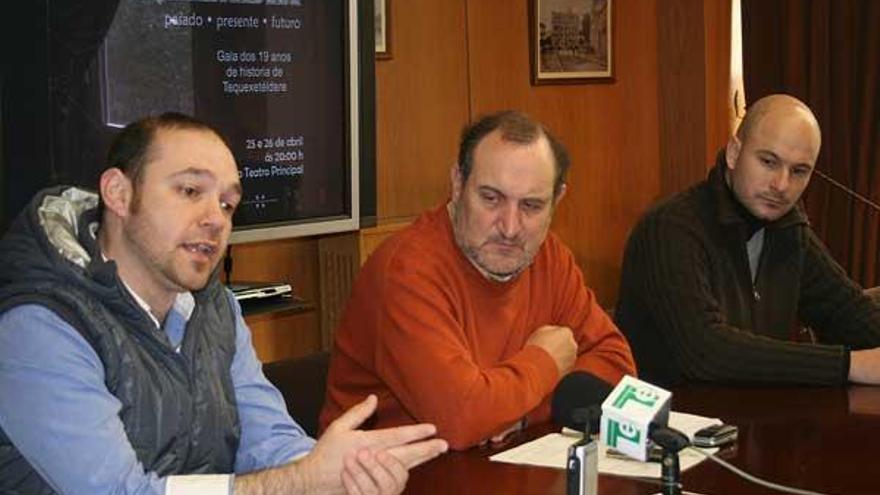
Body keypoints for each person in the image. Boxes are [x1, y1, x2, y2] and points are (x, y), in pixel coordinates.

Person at [0, 113, 447, 494]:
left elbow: (268, 441)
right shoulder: (38, 325)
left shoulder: (216, 309)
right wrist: (300, 480)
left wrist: (340, 471)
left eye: (228, 203)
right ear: (119, 194)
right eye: (190, 191)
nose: (216, 218)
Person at [319, 110, 636, 449]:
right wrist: (545, 362)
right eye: (491, 198)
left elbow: (616, 365)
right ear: (457, 184)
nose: (510, 227)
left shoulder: (547, 256)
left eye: (531, 205)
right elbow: (462, 417)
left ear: (556, 201)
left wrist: (519, 413)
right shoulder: (406, 272)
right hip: (393, 480)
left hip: (502, 464)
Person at [615, 94, 880, 386]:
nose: (781, 185)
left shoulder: (788, 229)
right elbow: (708, 352)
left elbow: (849, 311)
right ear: (733, 152)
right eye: (768, 162)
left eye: (799, 171)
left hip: (756, 421)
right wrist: (848, 365)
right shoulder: (669, 229)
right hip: (672, 425)